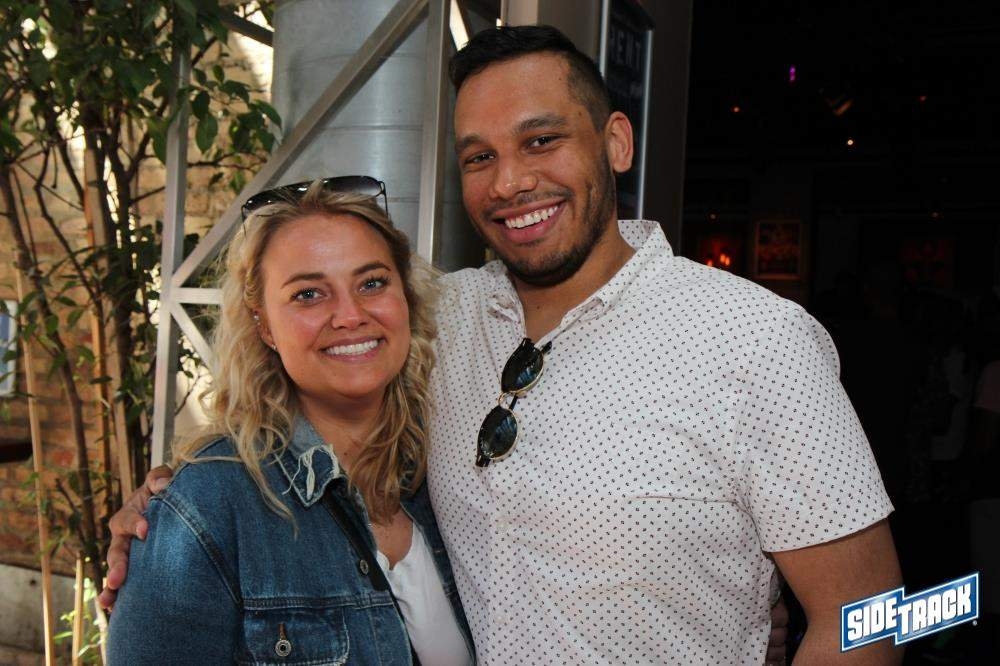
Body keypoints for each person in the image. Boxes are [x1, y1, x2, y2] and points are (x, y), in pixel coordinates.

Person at [104, 25, 899, 664]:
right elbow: (315, 432)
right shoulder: (435, 318)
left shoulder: (757, 340)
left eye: (541, 141)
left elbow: (867, 616)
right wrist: (173, 512)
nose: (509, 181)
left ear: (616, 143)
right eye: (479, 156)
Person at [106, 186, 474, 665]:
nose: (350, 316)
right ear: (264, 326)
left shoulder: (451, 467)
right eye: (308, 294)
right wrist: (175, 513)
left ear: (405, 295)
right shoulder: (208, 508)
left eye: (371, 283)